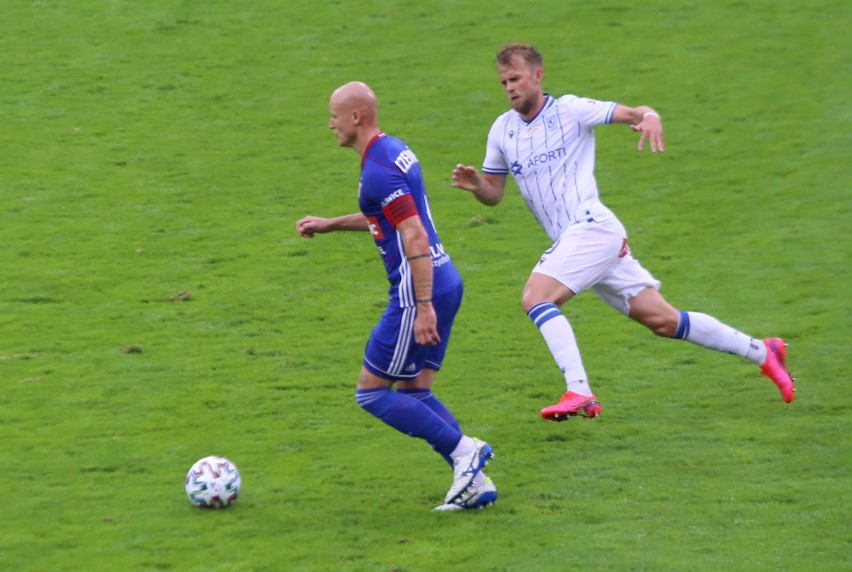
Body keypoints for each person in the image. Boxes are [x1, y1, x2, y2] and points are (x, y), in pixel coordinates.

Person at [451, 44, 795, 421]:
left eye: (515, 79)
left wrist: (650, 116)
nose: (509, 88)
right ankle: (763, 351)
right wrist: (476, 187)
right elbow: (494, 195)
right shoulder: (501, 130)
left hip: (592, 229)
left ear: (537, 75)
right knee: (664, 321)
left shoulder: (571, 110)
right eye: (503, 82)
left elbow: (636, 111)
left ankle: (579, 392)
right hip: (580, 241)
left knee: (536, 298)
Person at [296, 81, 495, 510]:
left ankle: (465, 452)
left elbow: (413, 232)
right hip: (446, 280)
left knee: (371, 393)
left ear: (356, 117)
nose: (329, 123)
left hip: (416, 292)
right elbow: (383, 217)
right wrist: (329, 224)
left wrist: (421, 307)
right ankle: (477, 486)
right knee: (414, 390)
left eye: (334, 114)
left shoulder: (378, 172)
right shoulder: (393, 150)